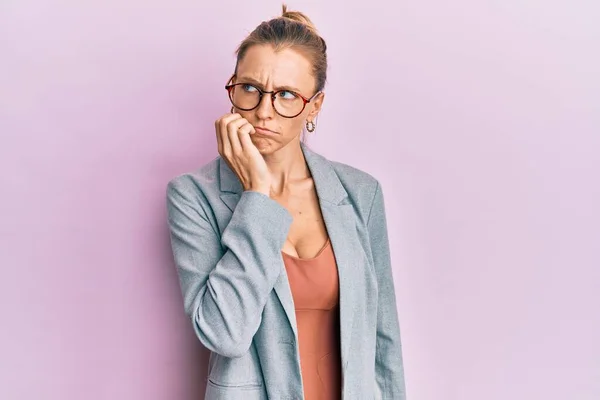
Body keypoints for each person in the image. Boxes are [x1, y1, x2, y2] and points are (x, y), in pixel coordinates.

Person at [166, 5, 407, 399]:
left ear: (314, 106)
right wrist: (256, 195)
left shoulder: (360, 193)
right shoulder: (193, 196)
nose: (263, 112)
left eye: (286, 95)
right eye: (249, 89)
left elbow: (385, 340)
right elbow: (224, 333)